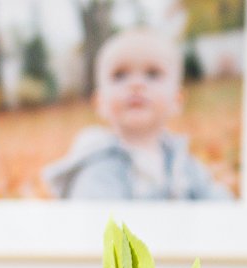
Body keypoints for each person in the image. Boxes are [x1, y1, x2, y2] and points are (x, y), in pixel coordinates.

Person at [43, 26, 234, 201]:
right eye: (120, 75)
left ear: (177, 100)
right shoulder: (99, 167)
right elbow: (98, 228)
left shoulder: (182, 161)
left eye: (152, 74)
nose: (136, 84)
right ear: (100, 102)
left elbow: (218, 205)